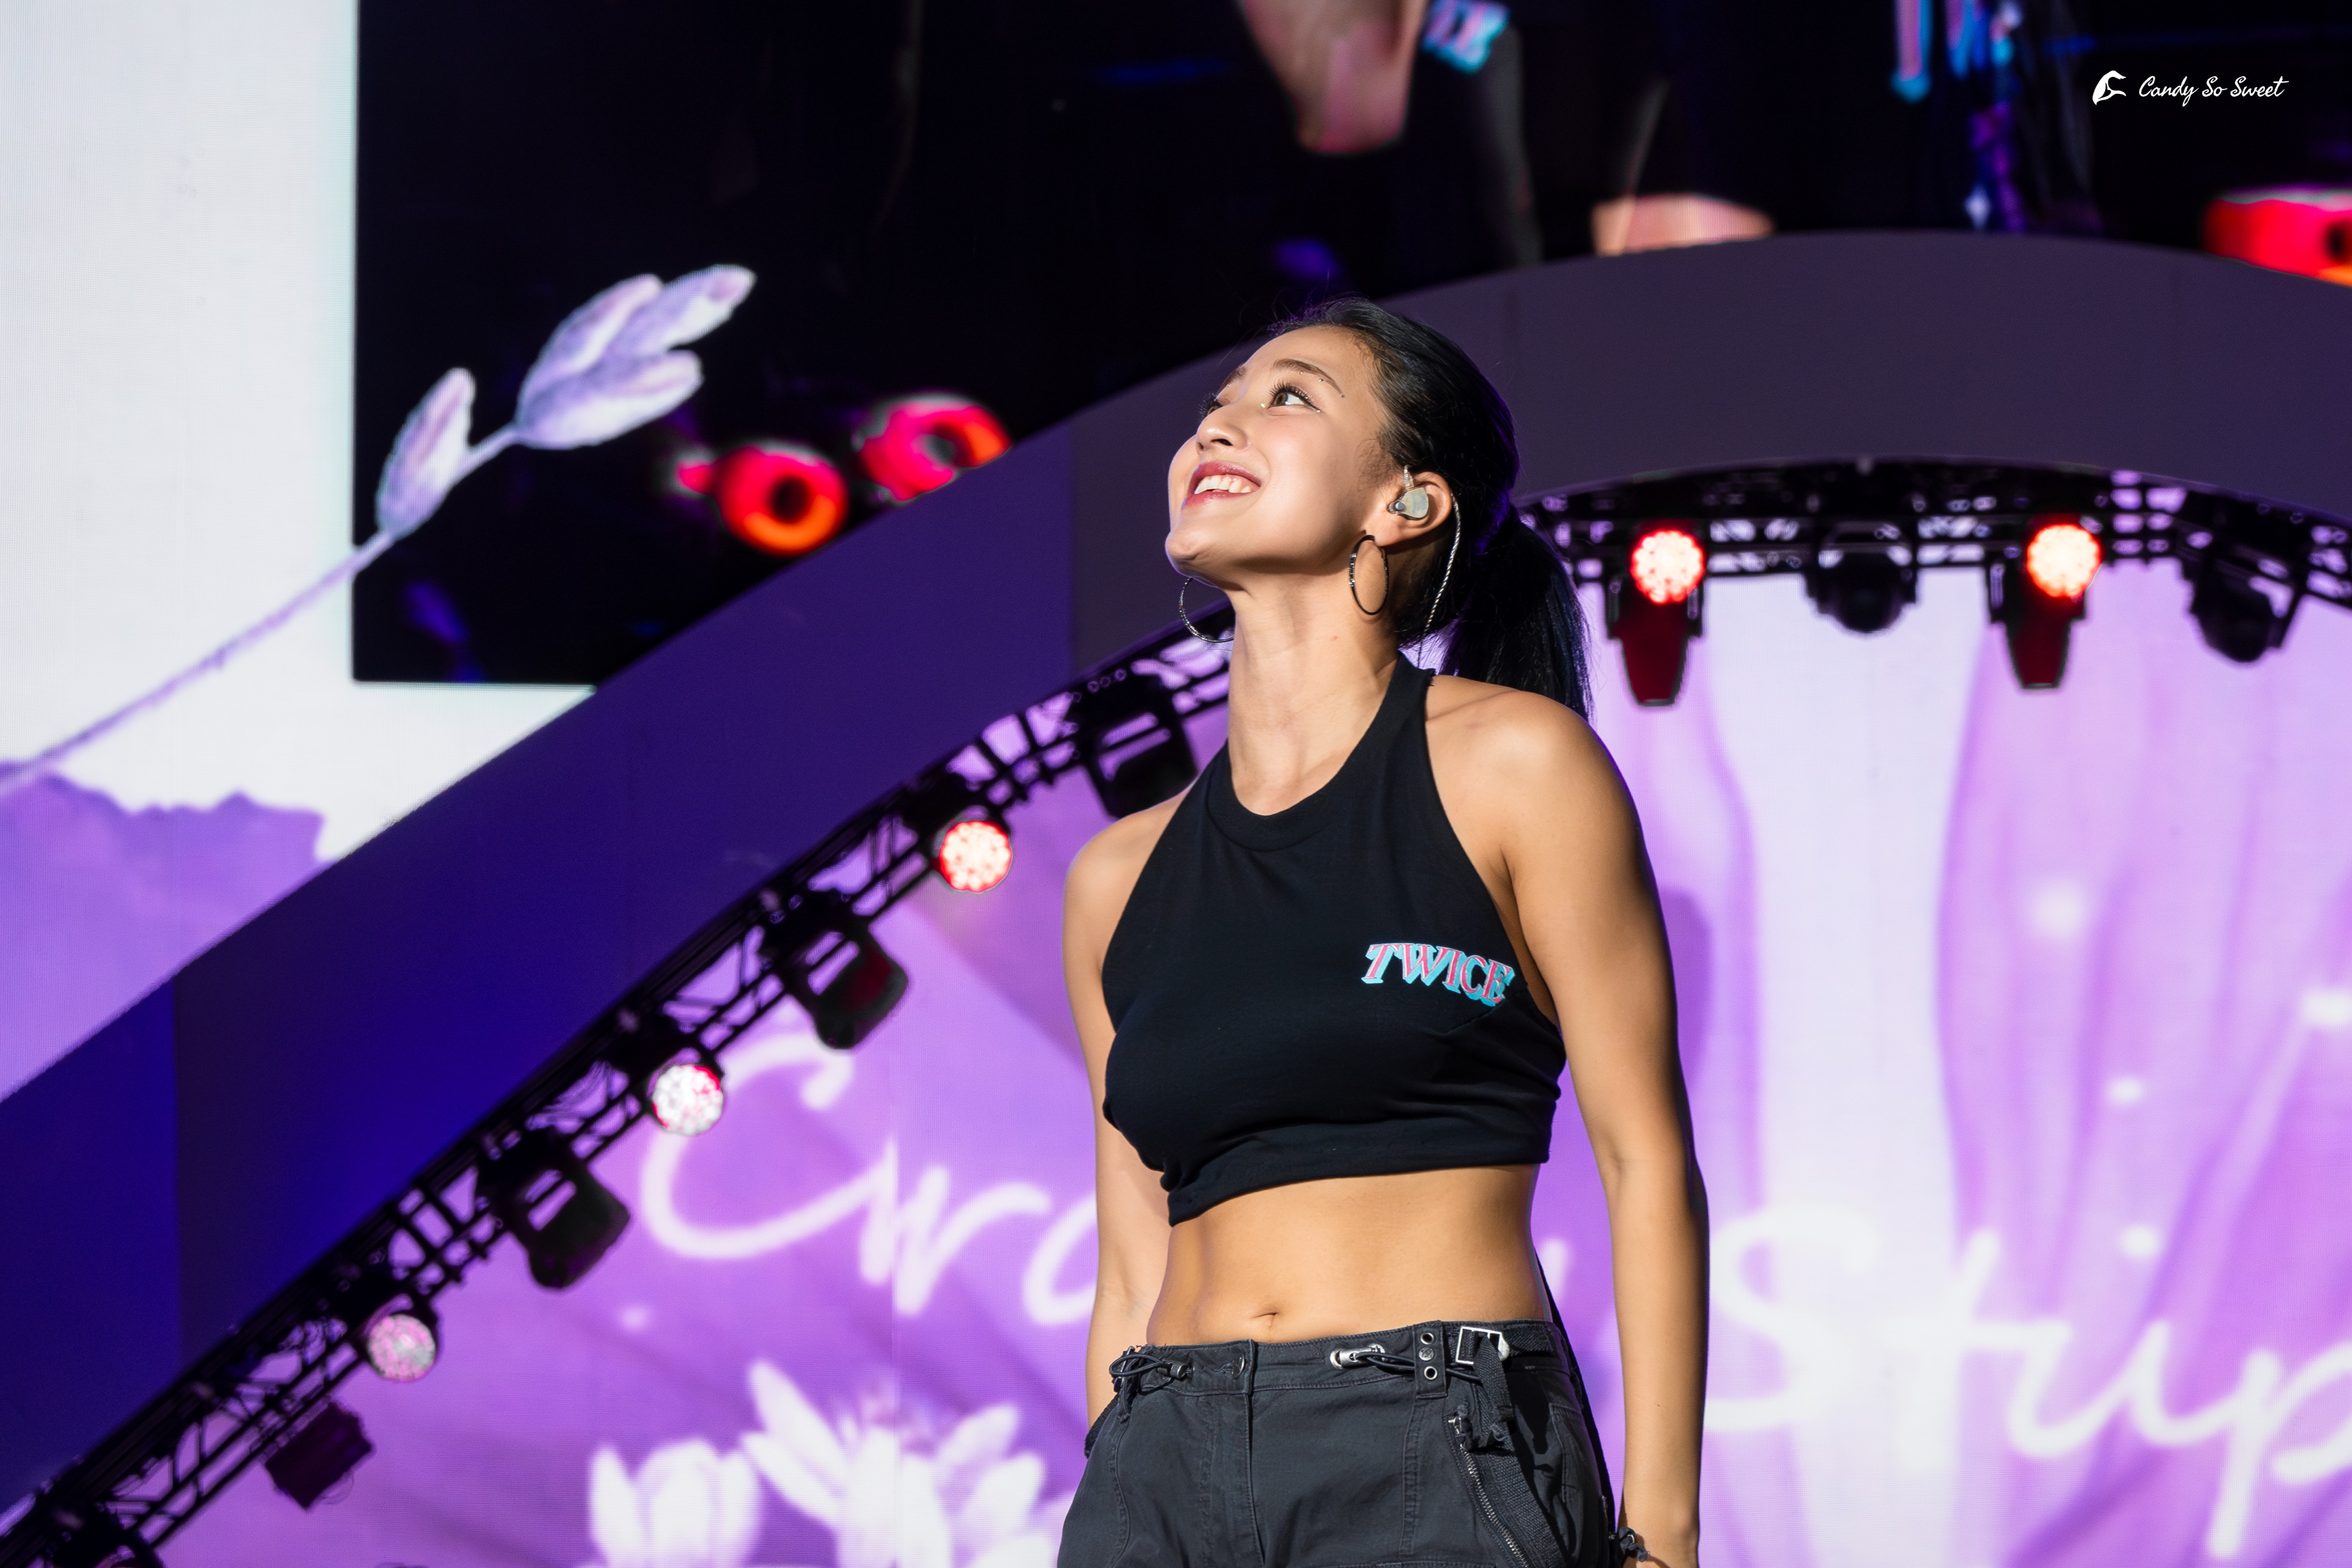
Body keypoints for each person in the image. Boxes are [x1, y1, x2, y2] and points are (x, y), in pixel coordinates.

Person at [1057, 296, 1707, 1568]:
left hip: (1429, 1440)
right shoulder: (1113, 875)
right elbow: (1127, 1259)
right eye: (1215, 405)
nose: (1218, 425)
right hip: (1159, 1463)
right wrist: (1120, 1469)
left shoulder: (1516, 766)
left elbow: (1645, 1163)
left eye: (1287, 396)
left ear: (1406, 502)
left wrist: (1663, 1535)